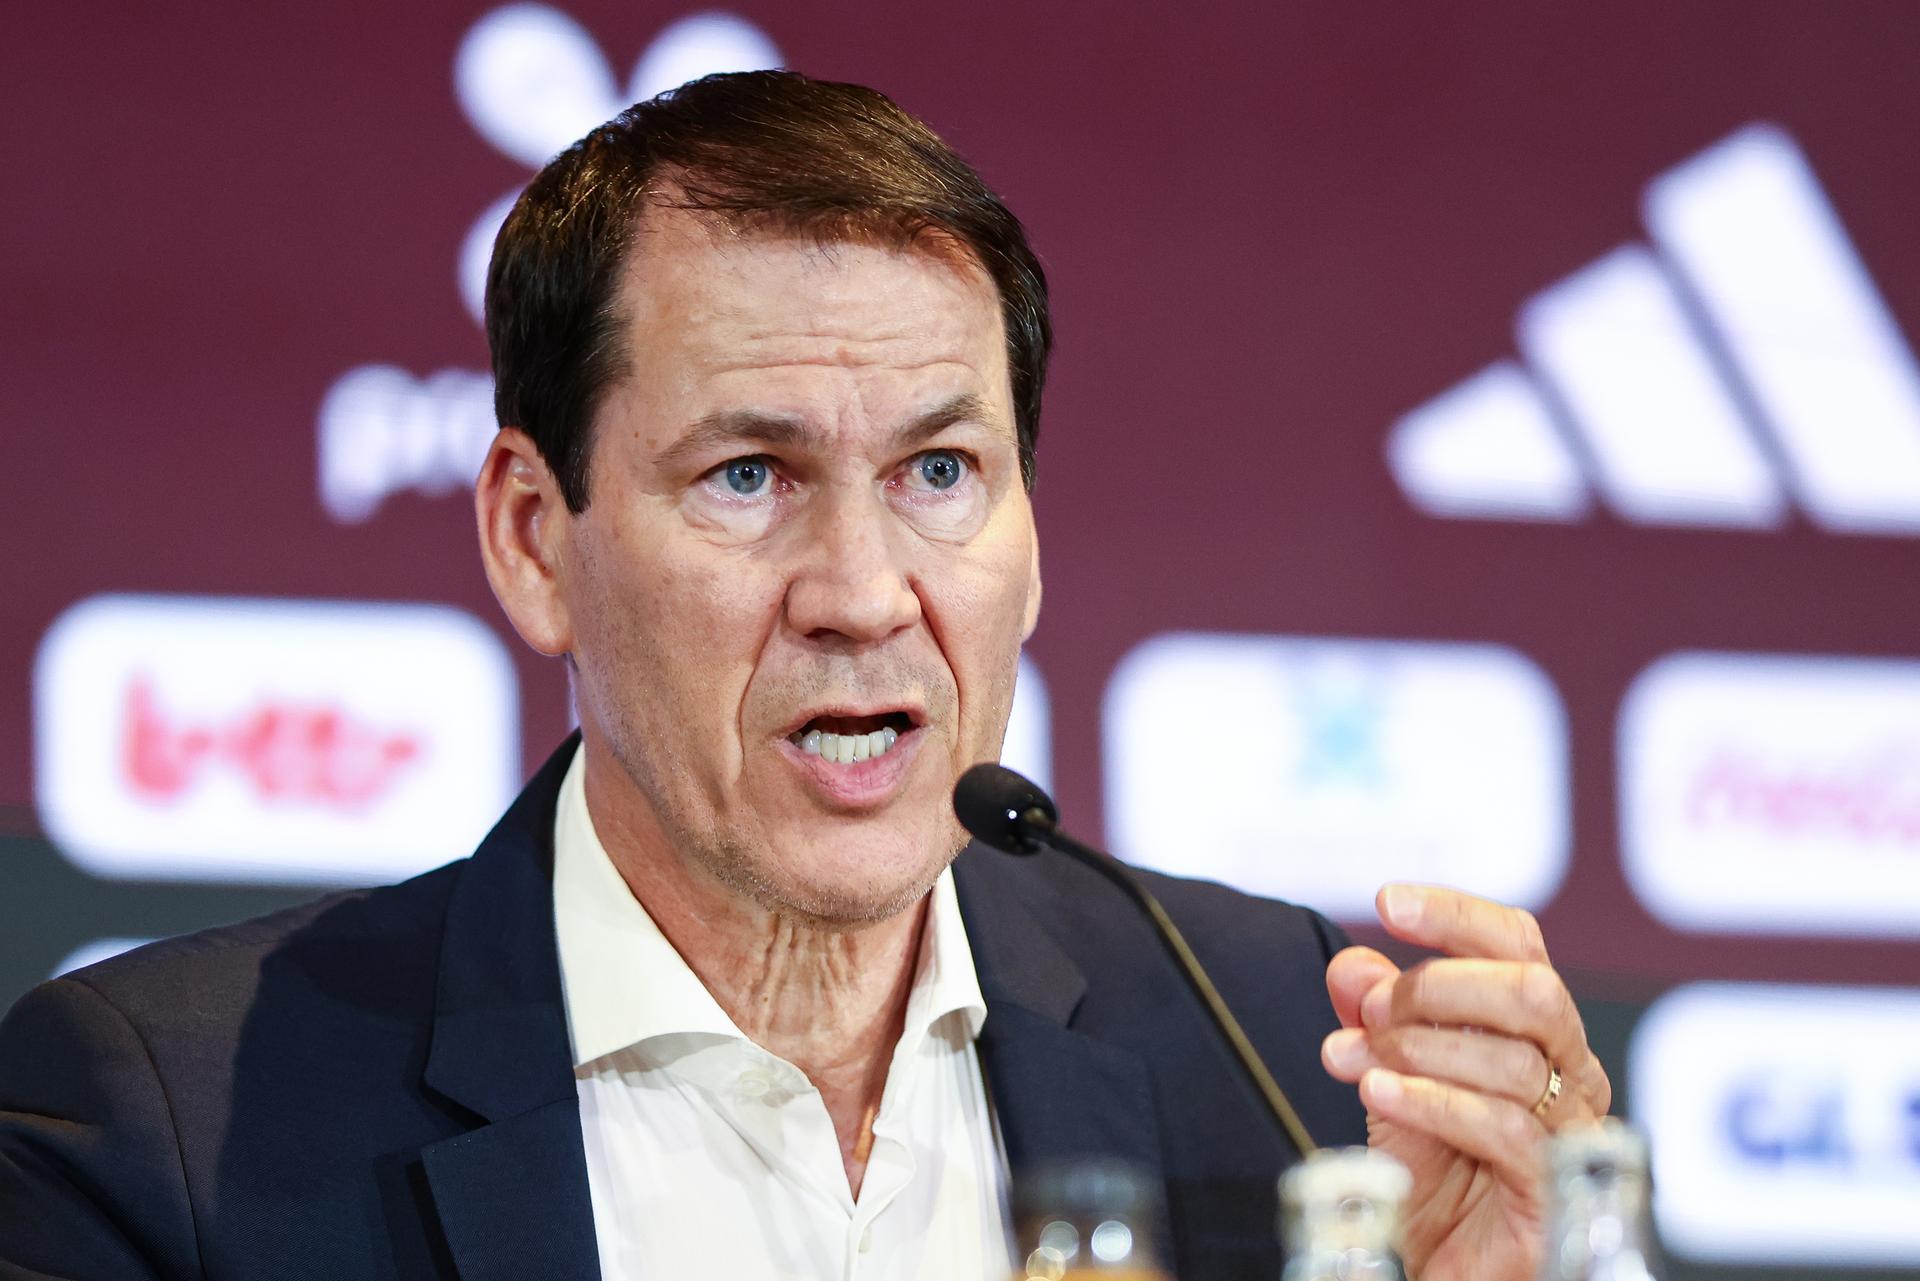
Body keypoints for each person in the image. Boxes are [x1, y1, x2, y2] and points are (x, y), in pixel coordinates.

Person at [0, 71, 1608, 1280]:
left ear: (1034, 533)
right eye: (750, 475)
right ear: (531, 537)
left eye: (940, 471)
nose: (861, 595)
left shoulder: (1289, 1059)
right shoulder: (169, 1135)